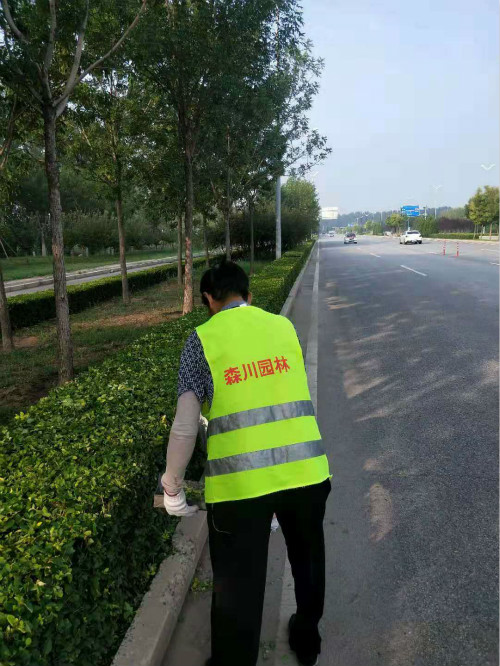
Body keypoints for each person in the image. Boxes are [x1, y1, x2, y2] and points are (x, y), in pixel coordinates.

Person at [161, 260, 331, 666]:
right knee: (308, 561)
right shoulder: (283, 328)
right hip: (306, 471)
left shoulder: (201, 341)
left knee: (238, 587)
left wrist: (172, 486)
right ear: (249, 295)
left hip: (240, 488)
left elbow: (184, 427)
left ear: (208, 299)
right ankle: (307, 640)